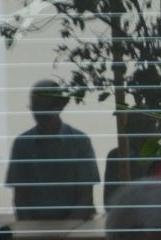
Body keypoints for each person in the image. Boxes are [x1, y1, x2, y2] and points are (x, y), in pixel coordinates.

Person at [6, 79, 102, 222]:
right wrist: (30, 231)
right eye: (36, 106)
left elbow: (85, 198)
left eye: (44, 106)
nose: (39, 112)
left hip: (74, 226)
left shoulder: (80, 141)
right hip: (34, 227)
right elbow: (20, 199)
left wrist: (67, 232)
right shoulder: (22, 144)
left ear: (59, 106)